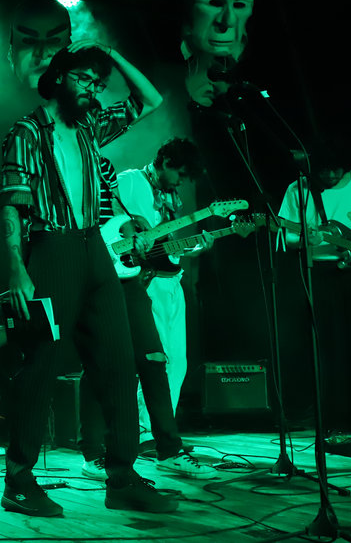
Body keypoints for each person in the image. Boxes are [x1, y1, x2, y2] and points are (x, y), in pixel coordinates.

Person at [0, 40, 178, 517]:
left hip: (93, 248)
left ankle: (121, 476)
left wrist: (111, 53)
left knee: (119, 362)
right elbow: (12, 203)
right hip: (50, 250)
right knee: (41, 364)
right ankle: (18, 480)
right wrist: (17, 267)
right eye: (84, 79)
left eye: (99, 84)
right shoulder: (26, 131)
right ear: (59, 77)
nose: (93, 90)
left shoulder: (90, 125)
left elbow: (151, 100)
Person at [79, 139, 220, 481]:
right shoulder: (127, 181)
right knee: (103, 363)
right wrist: (131, 234)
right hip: (123, 281)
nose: (180, 181)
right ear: (165, 160)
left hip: (154, 282)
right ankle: (95, 452)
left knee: (162, 362)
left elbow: (159, 246)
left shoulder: (169, 197)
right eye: (179, 173)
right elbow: (106, 227)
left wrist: (193, 248)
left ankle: (167, 448)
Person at [277, 142, 351, 432]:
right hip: (321, 271)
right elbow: (285, 236)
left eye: (336, 170)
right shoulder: (298, 189)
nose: (330, 175)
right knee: (330, 347)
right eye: (324, 170)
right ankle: (336, 420)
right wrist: (307, 240)